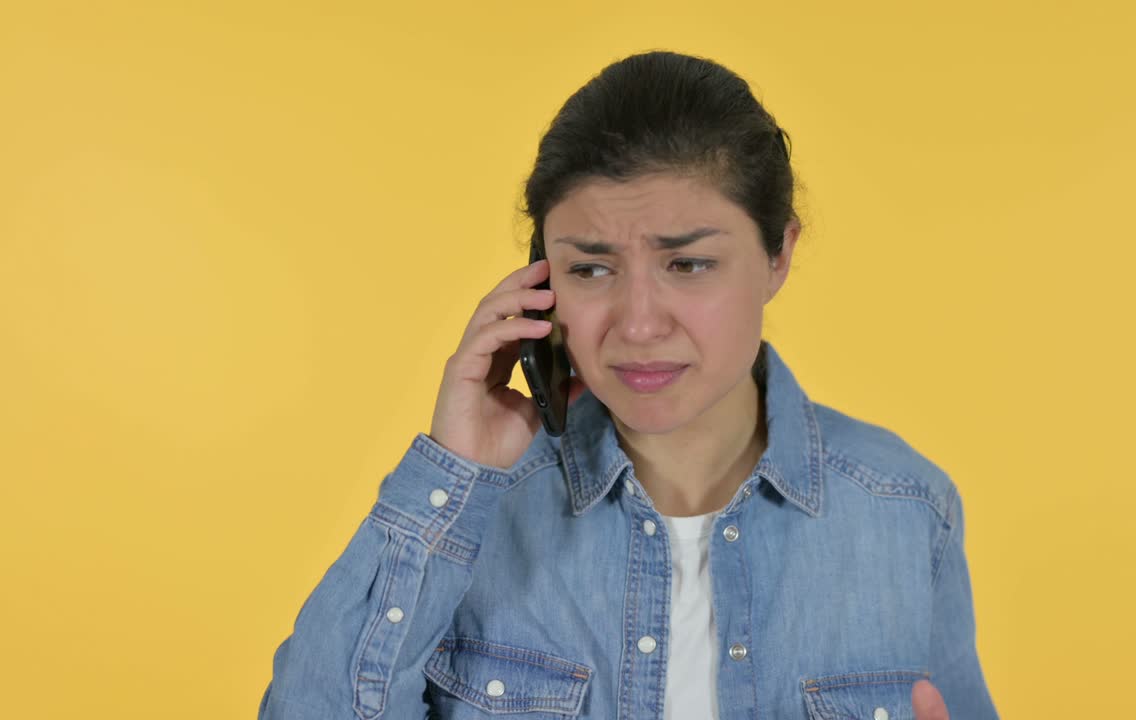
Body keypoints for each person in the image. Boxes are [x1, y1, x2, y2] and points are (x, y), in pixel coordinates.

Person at [259, 50, 998, 720]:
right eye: (590, 269)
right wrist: (454, 478)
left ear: (779, 255)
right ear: (540, 280)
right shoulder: (473, 512)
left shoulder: (905, 507)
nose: (638, 325)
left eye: (689, 264)